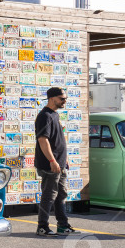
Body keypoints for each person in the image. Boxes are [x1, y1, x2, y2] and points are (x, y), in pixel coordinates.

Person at [34, 87, 76, 236]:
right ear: (52, 99)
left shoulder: (54, 115)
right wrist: (52, 160)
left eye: (65, 98)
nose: (65, 101)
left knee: (61, 194)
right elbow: (42, 140)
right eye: (62, 98)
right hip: (50, 164)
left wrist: (65, 160)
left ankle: (63, 225)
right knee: (49, 195)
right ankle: (42, 226)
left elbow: (58, 140)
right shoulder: (44, 116)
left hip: (60, 163)